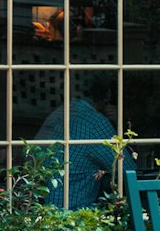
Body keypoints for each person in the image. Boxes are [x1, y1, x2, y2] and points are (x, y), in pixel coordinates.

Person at [34, 76, 132, 208]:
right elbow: (128, 170)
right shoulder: (95, 122)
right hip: (73, 212)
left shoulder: (62, 111)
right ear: (108, 95)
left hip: (40, 208)